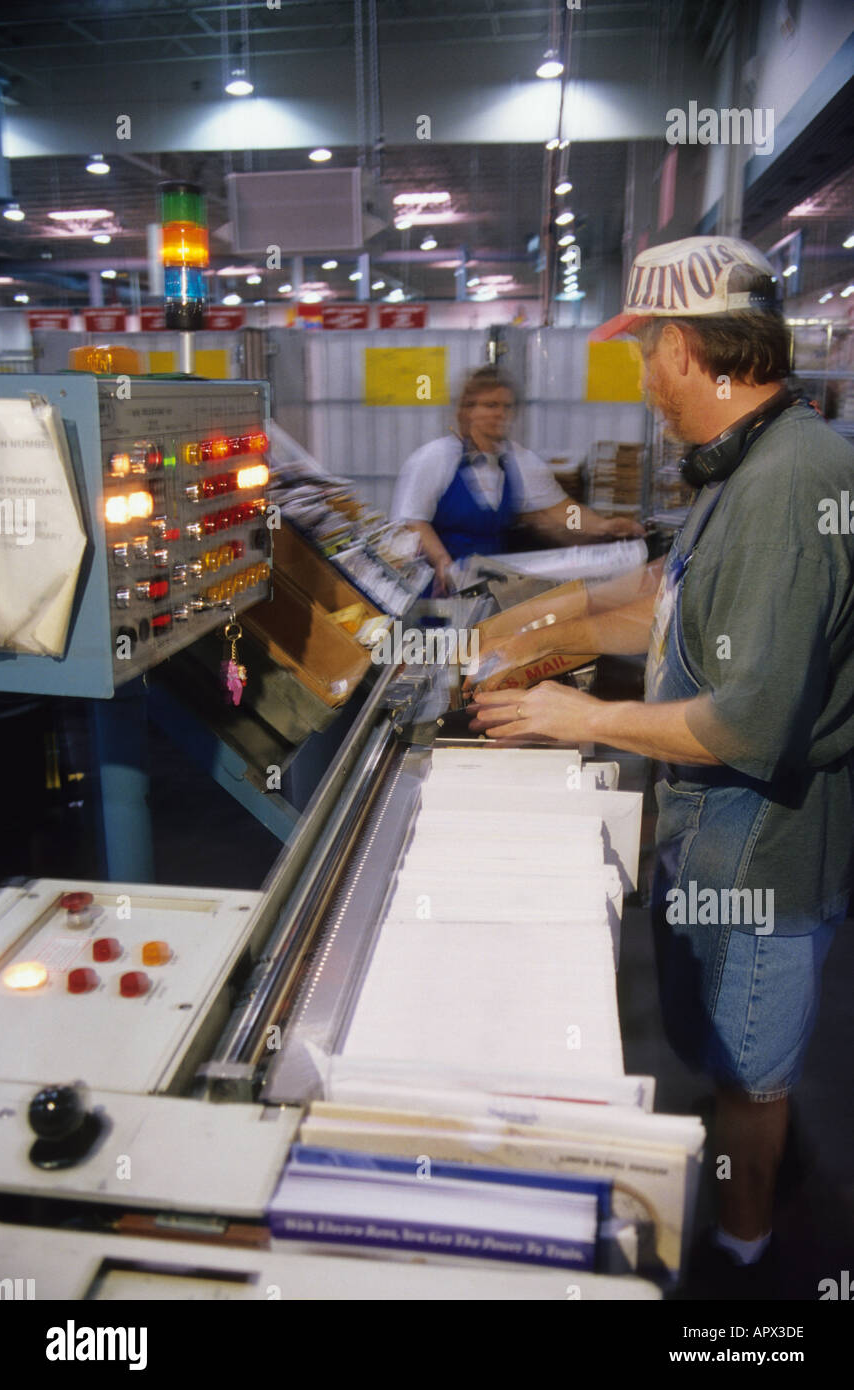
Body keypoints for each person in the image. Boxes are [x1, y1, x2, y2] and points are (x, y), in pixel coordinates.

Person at [468, 234, 854, 1296]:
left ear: (685, 347)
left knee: (751, 1078)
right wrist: (541, 626)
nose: (641, 378)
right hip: (714, 838)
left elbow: (746, 724)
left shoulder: (789, 484)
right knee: (722, 1051)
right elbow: (669, 606)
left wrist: (576, 715)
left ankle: (743, 1269)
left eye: (645, 354)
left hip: (765, 855)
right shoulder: (750, 465)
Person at [391, 365, 643, 594]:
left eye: (506, 406)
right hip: (439, 586)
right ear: (467, 411)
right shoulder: (435, 458)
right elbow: (414, 521)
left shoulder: (520, 461)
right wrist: (443, 562)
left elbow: (564, 511)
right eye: (490, 405)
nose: (500, 413)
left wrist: (603, 526)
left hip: (490, 584)